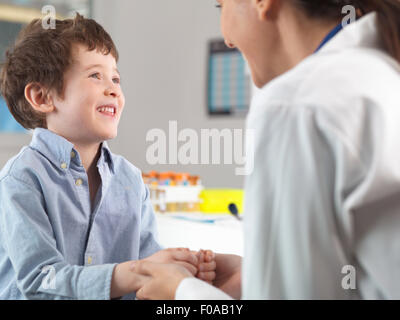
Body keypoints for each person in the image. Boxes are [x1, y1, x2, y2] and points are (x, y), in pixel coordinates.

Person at [131, 0, 400, 300]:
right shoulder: (377, 71)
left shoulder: (295, 102)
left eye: (221, 7)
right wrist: (254, 276)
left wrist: (181, 293)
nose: (227, 38)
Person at [0, 14, 216, 300]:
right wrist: (138, 271)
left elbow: (146, 270)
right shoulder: (22, 178)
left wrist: (181, 269)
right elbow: (42, 280)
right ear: (41, 98)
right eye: (95, 76)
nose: (113, 89)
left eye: (115, 78)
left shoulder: (130, 179)